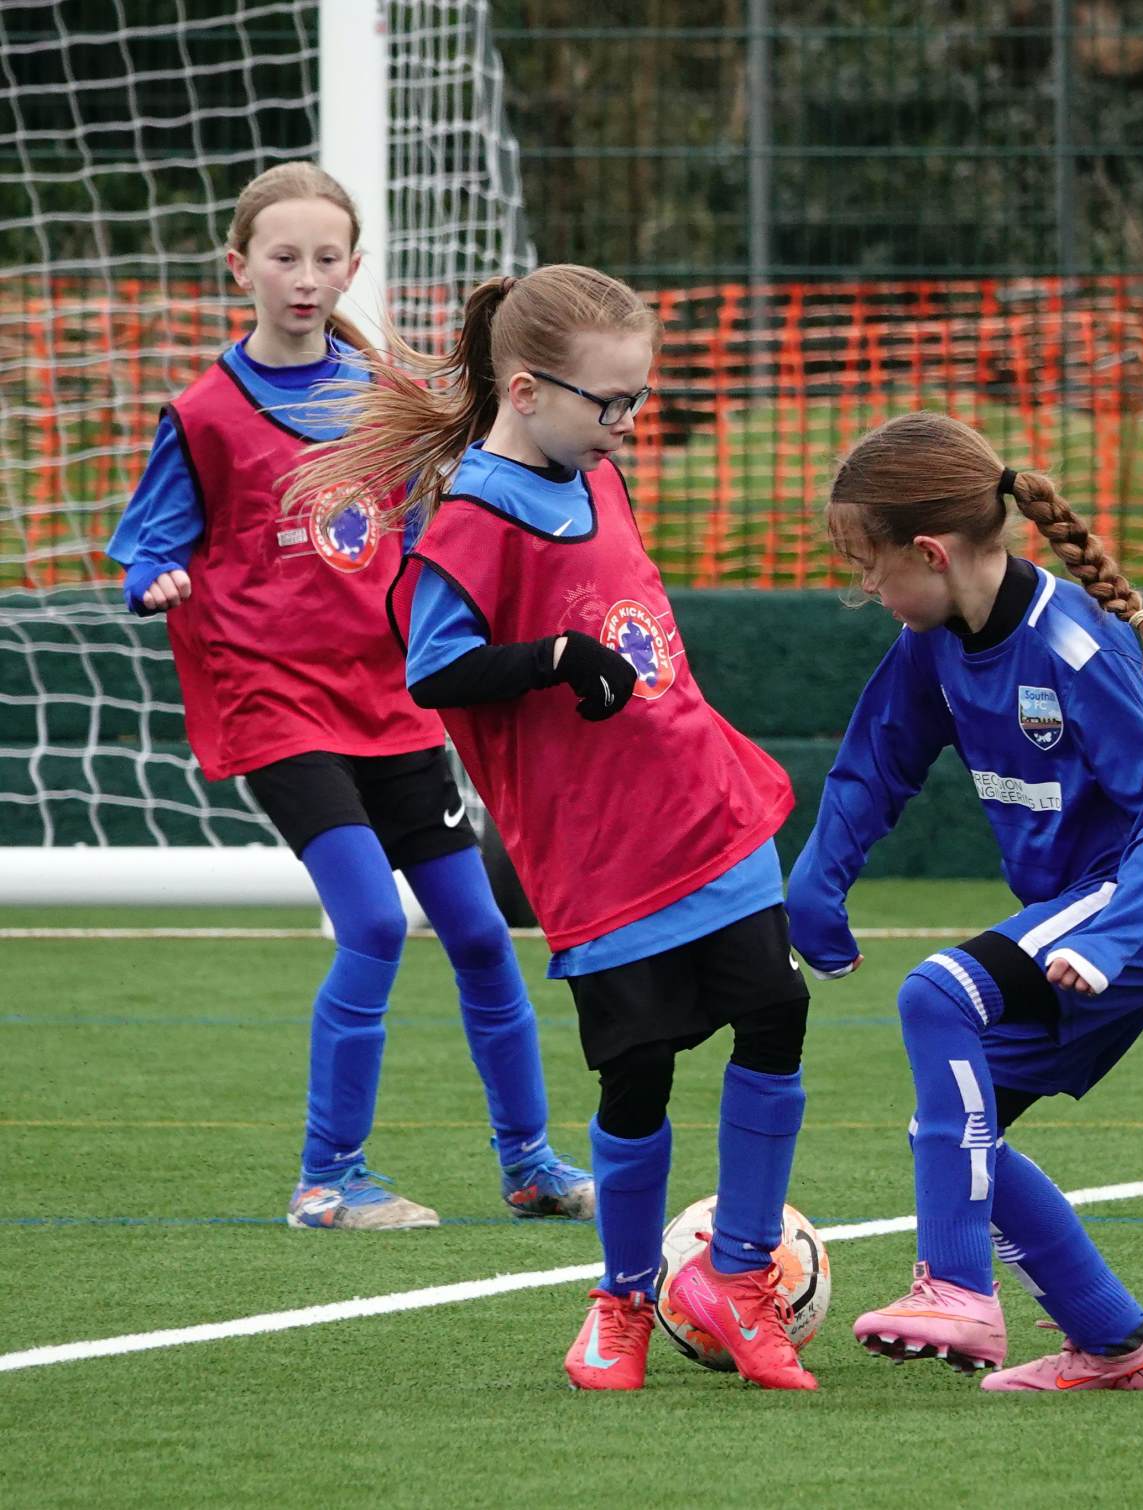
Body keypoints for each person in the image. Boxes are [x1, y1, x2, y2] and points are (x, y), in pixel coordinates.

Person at [289, 262, 818, 1392]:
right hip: (601, 857)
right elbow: (434, 668)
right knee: (638, 1076)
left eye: (639, 397)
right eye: (611, 401)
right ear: (526, 392)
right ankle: (624, 1300)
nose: (629, 420)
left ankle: (737, 1275)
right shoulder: (475, 519)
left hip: (708, 807)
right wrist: (554, 658)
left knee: (778, 1014)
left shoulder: (598, 474)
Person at [107, 163, 590, 1233]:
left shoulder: (381, 398)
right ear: (239, 267)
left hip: (391, 702)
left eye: (326, 258)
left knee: (480, 933)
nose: (305, 276)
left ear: (353, 267)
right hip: (275, 707)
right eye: (283, 256)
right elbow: (146, 544)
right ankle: (328, 1181)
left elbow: (425, 532)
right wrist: (155, 580)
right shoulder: (203, 414)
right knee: (372, 919)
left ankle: (531, 1165)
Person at [785, 412, 1143, 1392]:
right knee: (957, 1134)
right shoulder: (933, 641)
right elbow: (871, 768)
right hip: (1093, 903)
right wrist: (816, 886)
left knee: (934, 996)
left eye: (869, 568)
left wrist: (1111, 940)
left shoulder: (1073, 644)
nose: (866, 591)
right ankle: (1122, 1347)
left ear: (930, 552)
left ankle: (957, 1289)